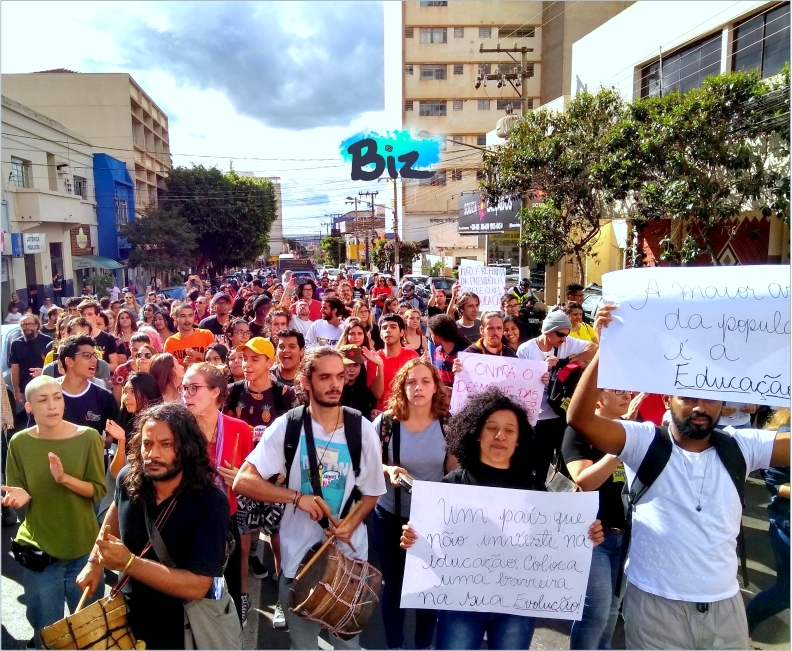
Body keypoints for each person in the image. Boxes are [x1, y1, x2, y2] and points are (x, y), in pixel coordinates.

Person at [566, 304, 790, 651]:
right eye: (688, 395)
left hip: (724, 610)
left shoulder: (742, 446)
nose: (701, 406)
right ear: (668, 399)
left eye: (711, 396)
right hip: (655, 607)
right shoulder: (644, 440)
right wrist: (606, 350)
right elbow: (581, 420)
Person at [399, 387, 604, 650]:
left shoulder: (534, 488)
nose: (500, 436)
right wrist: (413, 539)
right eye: (491, 428)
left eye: (510, 430)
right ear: (476, 434)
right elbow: (432, 545)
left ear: (519, 439)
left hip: (516, 607)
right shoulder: (453, 485)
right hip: (460, 604)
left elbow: (556, 541)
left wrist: (585, 535)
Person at [233, 347, 387, 650]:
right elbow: (243, 480)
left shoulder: (361, 430)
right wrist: (296, 497)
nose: (335, 384)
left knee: (347, 645)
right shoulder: (287, 426)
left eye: (340, 377)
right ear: (305, 381)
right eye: (326, 377)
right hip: (297, 561)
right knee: (303, 645)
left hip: (348, 560)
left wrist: (349, 523)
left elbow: (372, 493)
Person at [76, 403, 234, 651]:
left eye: (166, 444)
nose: (153, 454)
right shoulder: (128, 477)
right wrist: (94, 562)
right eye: (147, 444)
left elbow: (197, 585)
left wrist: (129, 563)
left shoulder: (210, 502)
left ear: (187, 448)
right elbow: (114, 515)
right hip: (126, 622)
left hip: (183, 631)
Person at [3, 376, 106, 648]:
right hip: (40, 552)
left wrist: (65, 480)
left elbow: (98, 490)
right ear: (28, 407)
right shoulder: (19, 443)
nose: (52, 405)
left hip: (83, 551)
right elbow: (17, 491)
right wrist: (21, 497)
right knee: (48, 636)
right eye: (43, 399)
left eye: (57, 397)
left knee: (91, 634)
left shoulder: (88, 437)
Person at [372, 359, 453, 650]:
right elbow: (367, 460)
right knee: (394, 586)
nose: (417, 387)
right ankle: (395, 645)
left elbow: (453, 470)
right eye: (411, 382)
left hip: (432, 517)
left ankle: (424, 646)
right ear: (402, 387)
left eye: (425, 381)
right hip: (391, 514)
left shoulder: (447, 423)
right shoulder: (386, 422)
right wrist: (388, 469)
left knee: (427, 586)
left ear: (435, 387)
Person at [226, 336, 298, 628]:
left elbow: (294, 437)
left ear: (271, 362)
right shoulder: (232, 392)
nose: (246, 364)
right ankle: (241, 599)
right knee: (242, 544)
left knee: (279, 541)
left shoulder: (285, 394)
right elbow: (226, 428)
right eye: (244, 359)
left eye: (255, 359)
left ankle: (283, 600)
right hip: (243, 478)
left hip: (277, 480)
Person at [181, 362, 254, 625]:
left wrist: (241, 480)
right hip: (185, 522)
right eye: (184, 388)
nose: (186, 394)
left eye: (193, 388)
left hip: (225, 520)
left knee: (227, 586)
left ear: (215, 392)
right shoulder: (177, 428)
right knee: (190, 593)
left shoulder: (240, 430)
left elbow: (252, 477)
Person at [562, 388, 634, 650]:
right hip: (592, 538)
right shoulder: (579, 431)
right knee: (596, 613)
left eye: (628, 391)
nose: (627, 396)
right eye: (618, 391)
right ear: (597, 397)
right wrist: (620, 448)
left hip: (625, 535)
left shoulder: (630, 430)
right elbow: (585, 480)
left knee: (613, 611)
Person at [517, 310, 597, 471]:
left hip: (563, 414)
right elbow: (520, 383)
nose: (564, 339)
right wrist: (538, 377)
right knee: (539, 464)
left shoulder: (566, 343)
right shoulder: (526, 350)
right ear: (547, 331)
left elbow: (594, 347)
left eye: (567, 334)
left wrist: (566, 361)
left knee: (565, 466)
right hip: (539, 418)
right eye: (561, 334)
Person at [745, 407, 789, 636]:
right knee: (785, 593)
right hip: (787, 525)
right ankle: (740, 632)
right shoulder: (783, 435)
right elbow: (775, 484)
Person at [58, 334, 120, 436]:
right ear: (69, 361)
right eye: (87, 356)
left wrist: (99, 441)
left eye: (94, 355)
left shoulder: (105, 397)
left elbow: (112, 438)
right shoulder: (48, 394)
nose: (94, 360)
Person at [106, 372, 163, 480]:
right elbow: (116, 474)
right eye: (125, 392)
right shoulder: (122, 422)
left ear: (148, 393)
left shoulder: (164, 424)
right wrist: (121, 440)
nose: (126, 397)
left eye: (132, 392)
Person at [377, 314, 419, 412]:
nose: (388, 330)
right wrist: (379, 365)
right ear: (380, 334)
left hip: (407, 411)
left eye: (393, 327)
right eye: (384, 328)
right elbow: (377, 394)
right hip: (382, 413)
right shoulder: (375, 358)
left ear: (401, 332)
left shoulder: (411, 355)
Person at [10, 315, 51, 407]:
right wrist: (16, 390)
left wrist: (43, 371)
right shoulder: (16, 344)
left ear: (37, 325)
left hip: (45, 386)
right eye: (24, 325)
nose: (27, 327)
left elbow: (53, 364)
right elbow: (14, 368)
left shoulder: (48, 341)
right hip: (26, 389)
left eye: (30, 324)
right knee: (31, 416)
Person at [163, 304, 215, 368]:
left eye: (190, 316)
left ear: (194, 317)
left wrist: (199, 355)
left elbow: (217, 361)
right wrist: (183, 365)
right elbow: (167, 369)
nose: (187, 320)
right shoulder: (170, 342)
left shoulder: (206, 334)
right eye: (183, 316)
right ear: (175, 319)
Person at [339, 344, 382, 418]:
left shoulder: (365, 392)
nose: (352, 370)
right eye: (348, 365)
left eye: (356, 365)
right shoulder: (334, 388)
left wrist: (371, 413)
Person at [427, 314, 470, 390]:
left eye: (431, 333)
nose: (430, 337)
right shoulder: (437, 351)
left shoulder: (465, 353)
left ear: (439, 335)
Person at [78, 300, 120, 372]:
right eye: (83, 315)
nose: (86, 317)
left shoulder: (108, 338)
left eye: (90, 314)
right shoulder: (76, 338)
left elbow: (114, 366)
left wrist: (94, 365)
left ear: (97, 315)